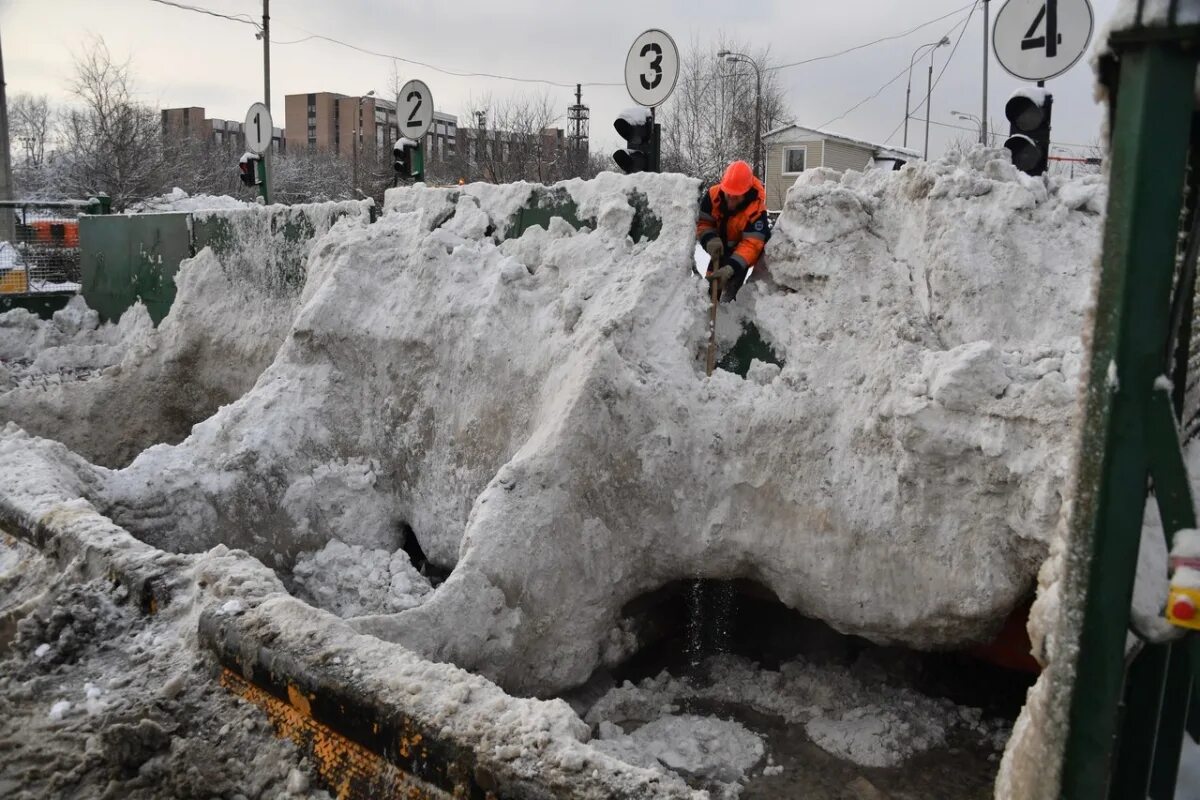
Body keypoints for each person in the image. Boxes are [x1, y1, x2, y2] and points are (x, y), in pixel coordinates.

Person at [696, 160, 770, 301]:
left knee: (728, 296)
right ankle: (707, 312)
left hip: (739, 256)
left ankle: (728, 312)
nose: (730, 199)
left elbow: (752, 245)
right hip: (718, 248)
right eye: (728, 194)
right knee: (709, 290)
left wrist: (731, 269)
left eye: (736, 196)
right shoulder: (713, 196)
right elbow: (704, 222)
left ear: (746, 193)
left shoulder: (756, 211)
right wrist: (709, 239)